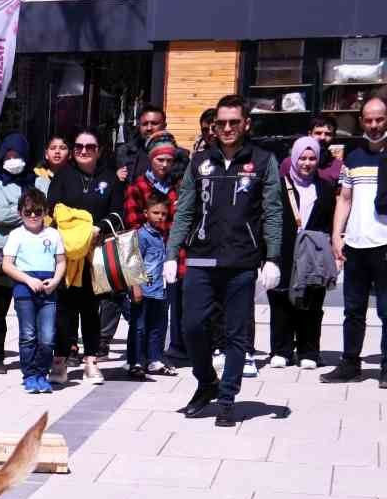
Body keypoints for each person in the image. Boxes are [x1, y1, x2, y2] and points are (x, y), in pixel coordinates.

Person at [165, 94, 283, 426]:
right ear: (214, 126)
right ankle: (206, 383)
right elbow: (185, 208)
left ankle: (228, 397)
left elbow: (273, 212)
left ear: (246, 123)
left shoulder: (262, 161)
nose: (227, 128)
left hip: (241, 260)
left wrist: (272, 257)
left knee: (235, 334)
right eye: (222, 123)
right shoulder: (199, 161)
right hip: (201, 257)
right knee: (192, 327)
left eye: (234, 122)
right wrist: (172, 253)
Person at [47, 129, 121, 385]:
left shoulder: (110, 178)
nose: (83, 150)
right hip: (67, 256)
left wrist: (98, 227)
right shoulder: (63, 176)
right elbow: (53, 210)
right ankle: (60, 361)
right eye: (78, 146)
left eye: (90, 147)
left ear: (99, 150)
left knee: (91, 310)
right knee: (64, 311)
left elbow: (118, 212)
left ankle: (91, 360)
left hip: (96, 253)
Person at [323, 95, 387, 386]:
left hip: (384, 244)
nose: (373, 125)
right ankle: (350, 363)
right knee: (353, 309)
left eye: (380, 119)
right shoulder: (354, 155)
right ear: (361, 121)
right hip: (357, 244)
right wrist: (337, 235)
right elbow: (344, 199)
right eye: (369, 120)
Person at [267, 136, 335, 371]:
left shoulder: (325, 188)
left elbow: (330, 221)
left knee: (312, 300)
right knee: (281, 299)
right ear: (294, 158)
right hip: (284, 250)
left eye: (312, 158)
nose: (307, 163)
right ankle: (281, 349)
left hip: (313, 253)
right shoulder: (278, 184)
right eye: (303, 158)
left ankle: (309, 350)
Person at [124, 135, 185, 367]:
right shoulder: (138, 186)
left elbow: (180, 222)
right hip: (144, 259)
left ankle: (155, 357)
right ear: (151, 159)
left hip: (168, 258)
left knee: (161, 314)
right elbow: (133, 229)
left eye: (169, 160)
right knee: (139, 318)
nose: (164, 164)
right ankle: (136, 359)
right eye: (160, 159)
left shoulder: (176, 187)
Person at [0, 188, 65, 395]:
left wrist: (55, 281)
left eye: (38, 211)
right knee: (28, 335)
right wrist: (28, 280)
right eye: (28, 212)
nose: (33, 216)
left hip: (48, 290)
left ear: (46, 212)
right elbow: (7, 265)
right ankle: (29, 374)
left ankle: (41, 373)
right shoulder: (16, 235)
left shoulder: (53, 234)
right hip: (24, 290)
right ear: (20, 213)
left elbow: (61, 261)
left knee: (47, 336)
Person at [0, 132, 36, 375]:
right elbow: (1, 216)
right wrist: (30, 212)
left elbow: (45, 211)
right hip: (2, 253)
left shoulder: (37, 182)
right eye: (9, 155)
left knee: (29, 310)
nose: (13, 160)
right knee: (0, 309)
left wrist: (24, 212)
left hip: (31, 254)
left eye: (18, 155)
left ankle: (30, 355)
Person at [129, 194, 172, 379]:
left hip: (159, 290)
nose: (160, 217)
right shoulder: (142, 235)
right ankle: (136, 361)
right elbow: (133, 262)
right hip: (144, 289)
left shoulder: (164, 236)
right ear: (146, 213)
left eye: (163, 213)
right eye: (155, 212)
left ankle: (154, 359)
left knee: (158, 326)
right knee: (139, 326)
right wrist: (136, 286)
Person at [280, 114, 343, 187]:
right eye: (318, 133)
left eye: (328, 134)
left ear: (334, 136)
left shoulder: (338, 166)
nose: (322, 137)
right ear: (309, 134)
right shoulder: (289, 163)